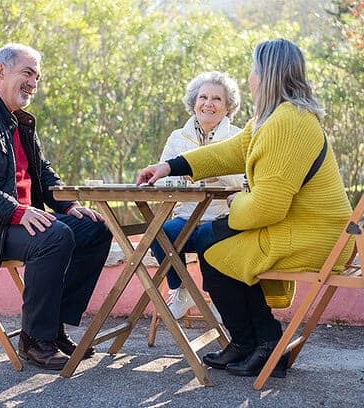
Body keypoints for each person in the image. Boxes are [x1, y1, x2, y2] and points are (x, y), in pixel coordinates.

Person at [137, 38, 353, 378]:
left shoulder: (289, 122)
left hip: (317, 237)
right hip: (301, 229)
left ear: (267, 74)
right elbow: (228, 152)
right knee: (214, 245)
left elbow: (267, 206)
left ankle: (266, 346)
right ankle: (246, 342)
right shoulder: (273, 118)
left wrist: (236, 202)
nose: (250, 76)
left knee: (214, 248)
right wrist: (170, 166)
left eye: (254, 69)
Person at [0, 43, 112, 371]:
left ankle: (52, 329)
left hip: (16, 220)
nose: (33, 82)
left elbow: (42, 171)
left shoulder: (19, 121)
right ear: (0, 71)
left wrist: (68, 206)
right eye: (27, 73)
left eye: (36, 77)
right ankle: (34, 340)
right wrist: (17, 211)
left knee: (95, 228)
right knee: (53, 237)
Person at [150, 71, 243, 319]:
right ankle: (182, 289)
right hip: (185, 215)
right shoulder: (177, 137)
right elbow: (163, 176)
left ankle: (220, 296)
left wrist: (217, 174)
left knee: (207, 237)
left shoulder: (239, 137)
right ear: (194, 102)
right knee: (159, 234)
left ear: (228, 106)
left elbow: (247, 180)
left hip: (223, 217)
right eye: (203, 97)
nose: (208, 104)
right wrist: (181, 176)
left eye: (216, 99)